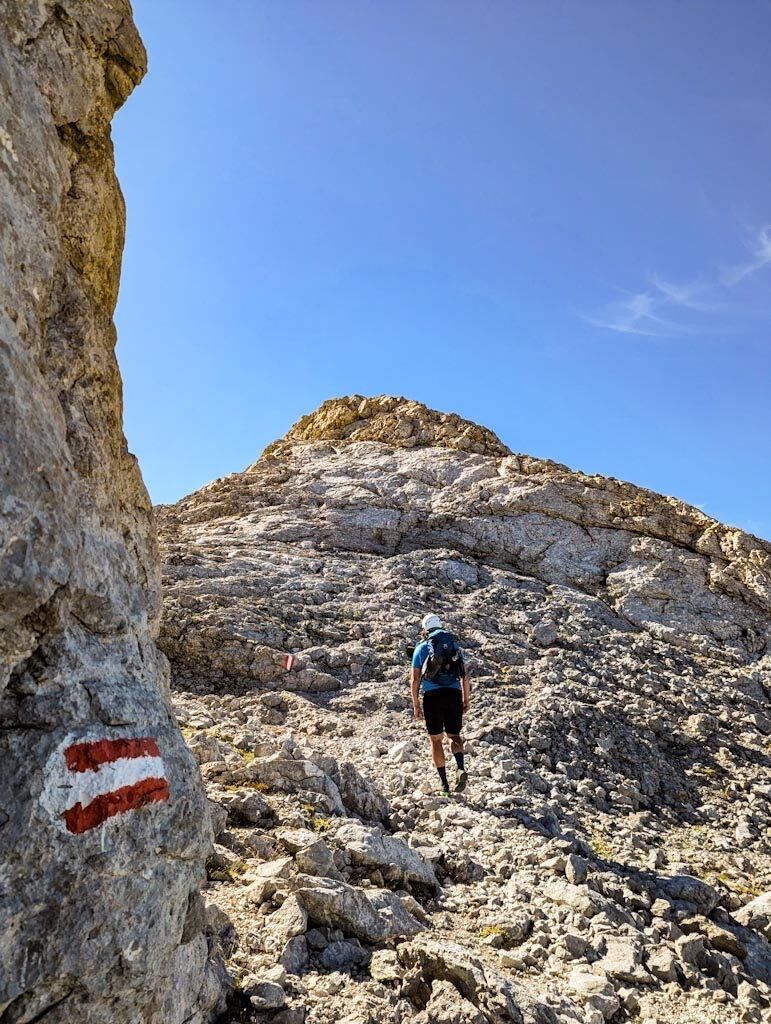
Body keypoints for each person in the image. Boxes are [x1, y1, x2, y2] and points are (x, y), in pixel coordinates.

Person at [411, 613, 470, 794]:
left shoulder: (422, 647)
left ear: (425, 629)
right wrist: (466, 698)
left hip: (432, 697)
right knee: (455, 735)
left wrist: (416, 704)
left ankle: (444, 784)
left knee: (436, 740)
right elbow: (465, 675)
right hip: (453, 694)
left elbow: (414, 679)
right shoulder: (454, 646)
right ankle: (460, 767)